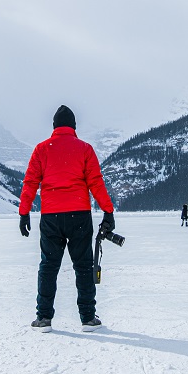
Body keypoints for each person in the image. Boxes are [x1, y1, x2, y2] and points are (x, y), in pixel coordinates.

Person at [20, 105, 115, 332]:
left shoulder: (42, 149)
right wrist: (108, 211)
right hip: (79, 216)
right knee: (83, 266)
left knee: (48, 266)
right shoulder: (85, 149)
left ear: (54, 127)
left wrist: (24, 212)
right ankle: (88, 318)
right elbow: (95, 183)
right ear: (73, 126)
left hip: (51, 216)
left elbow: (31, 182)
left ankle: (43, 318)